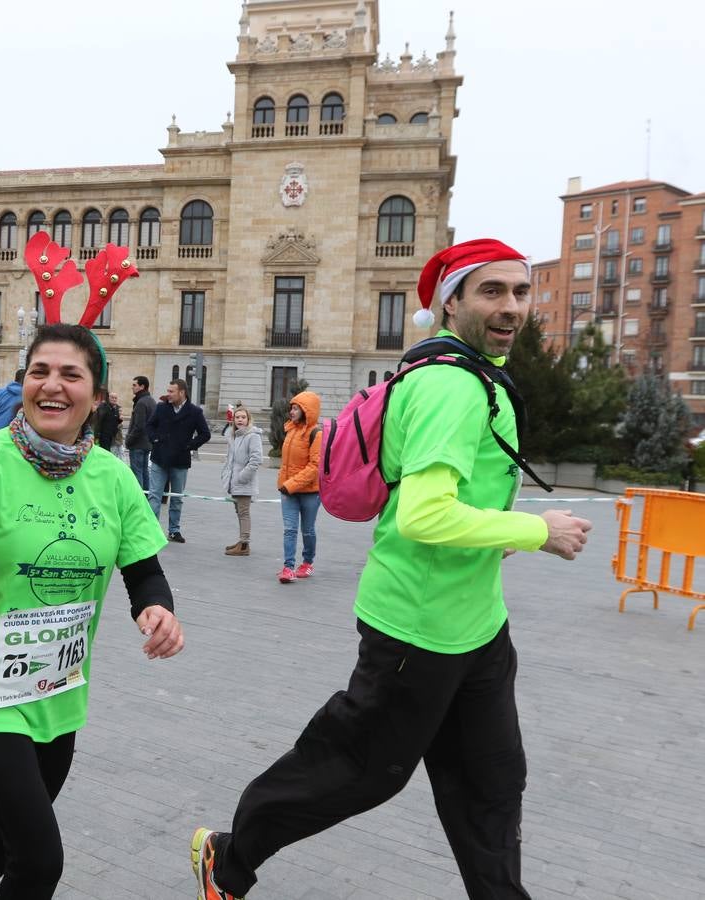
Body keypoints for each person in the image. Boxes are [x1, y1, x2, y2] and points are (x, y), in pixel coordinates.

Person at [190, 238, 594, 900]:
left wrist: (494, 534)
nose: (512, 307)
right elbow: (425, 516)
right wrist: (535, 531)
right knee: (358, 770)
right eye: (491, 291)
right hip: (416, 628)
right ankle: (228, 857)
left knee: (492, 784)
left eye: (520, 291)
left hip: (477, 627)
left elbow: (444, 500)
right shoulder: (450, 386)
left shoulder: (475, 374)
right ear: (452, 303)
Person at [0, 332, 184, 900]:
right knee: (37, 858)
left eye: (70, 375)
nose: (52, 385)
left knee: (2, 836)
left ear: (97, 397)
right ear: (24, 383)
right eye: (39, 371)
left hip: (57, 691)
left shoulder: (112, 476)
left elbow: (143, 570)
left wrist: (158, 608)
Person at [146, 378, 210, 543]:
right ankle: (151, 530)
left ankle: (174, 531)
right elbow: (150, 426)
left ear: (182, 392)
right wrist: (155, 439)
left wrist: (189, 446)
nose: (168, 394)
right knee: (154, 496)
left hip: (180, 461)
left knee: (177, 498)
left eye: (171, 391)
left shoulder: (195, 412)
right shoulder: (161, 408)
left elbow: (205, 434)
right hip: (159, 458)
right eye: (168, 391)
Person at [276, 390, 322, 583]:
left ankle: (307, 562)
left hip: (310, 492)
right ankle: (288, 567)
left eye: (296, 408)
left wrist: (291, 484)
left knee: (308, 530)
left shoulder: (316, 433)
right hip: (288, 491)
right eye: (292, 408)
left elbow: (315, 466)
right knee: (290, 529)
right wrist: (284, 483)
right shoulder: (290, 430)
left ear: (307, 410)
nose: (292, 412)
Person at [220, 406, 263, 557]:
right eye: (237, 417)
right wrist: (227, 476)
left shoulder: (253, 436)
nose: (240, 420)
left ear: (248, 419)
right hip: (234, 483)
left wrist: (242, 477)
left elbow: (256, 460)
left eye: (243, 417)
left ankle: (244, 544)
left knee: (244, 512)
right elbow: (230, 460)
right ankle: (242, 540)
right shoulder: (235, 436)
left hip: (244, 483)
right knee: (239, 512)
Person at [125, 375, 156, 490]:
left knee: (137, 472)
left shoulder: (141, 402)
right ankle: (146, 496)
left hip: (138, 444)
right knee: (144, 472)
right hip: (147, 443)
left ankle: (139, 498)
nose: (132, 387)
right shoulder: (151, 401)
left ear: (142, 386)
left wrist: (129, 440)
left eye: (135, 385)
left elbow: (139, 426)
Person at [93, 389, 123, 457]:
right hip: (103, 435)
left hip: (112, 436)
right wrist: (97, 435)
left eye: (115, 398)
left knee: (109, 453)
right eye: (112, 397)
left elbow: (114, 421)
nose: (114, 399)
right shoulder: (103, 407)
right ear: (108, 398)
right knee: (104, 453)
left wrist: (119, 420)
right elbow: (99, 421)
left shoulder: (116, 408)